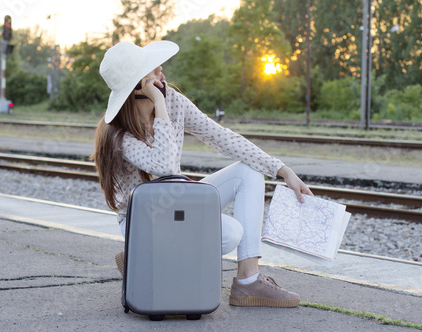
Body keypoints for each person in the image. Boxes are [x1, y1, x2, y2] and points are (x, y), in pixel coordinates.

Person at [92, 40, 313, 308]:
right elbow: (163, 166)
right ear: (137, 85)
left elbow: (221, 136)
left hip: (178, 201)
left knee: (249, 172)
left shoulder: (174, 101)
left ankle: (248, 281)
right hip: (144, 219)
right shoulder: (119, 134)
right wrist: (160, 104)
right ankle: (144, 254)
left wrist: (282, 169)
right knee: (228, 232)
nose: (161, 69)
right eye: (150, 68)